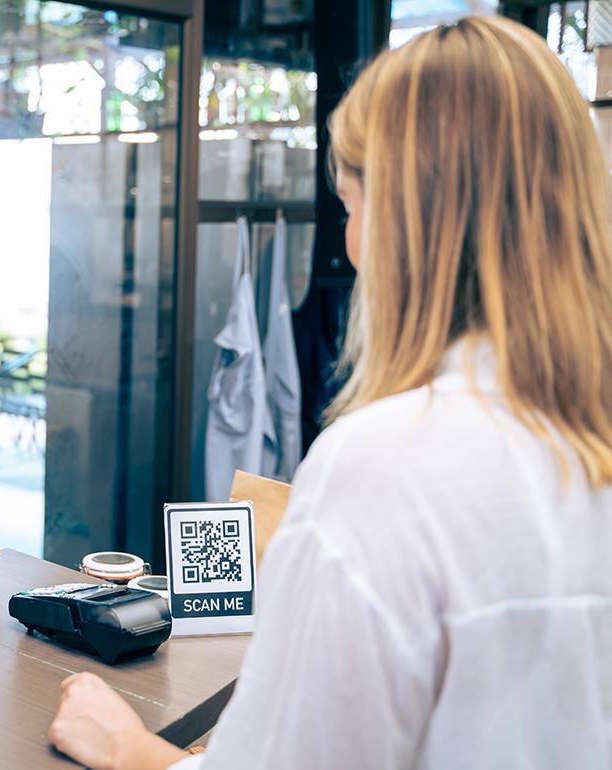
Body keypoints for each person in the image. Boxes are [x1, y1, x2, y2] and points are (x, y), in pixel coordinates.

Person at [49, 16, 612, 770]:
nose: (350, 243)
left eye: (352, 206)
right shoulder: (580, 438)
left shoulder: (391, 469)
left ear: (414, 225)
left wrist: (128, 749)